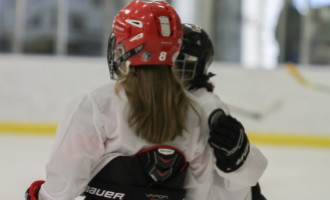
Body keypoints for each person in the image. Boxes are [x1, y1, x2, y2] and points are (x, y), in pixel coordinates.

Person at [25, 1, 215, 200]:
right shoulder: (196, 112)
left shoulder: (97, 103)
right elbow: (200, 191)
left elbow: (62, 188)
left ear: (127, 47)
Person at [174, 23, 268, 200]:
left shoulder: (206, 106)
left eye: (183, 66)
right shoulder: (196, 102)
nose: (175, 71)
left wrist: (236, 158)